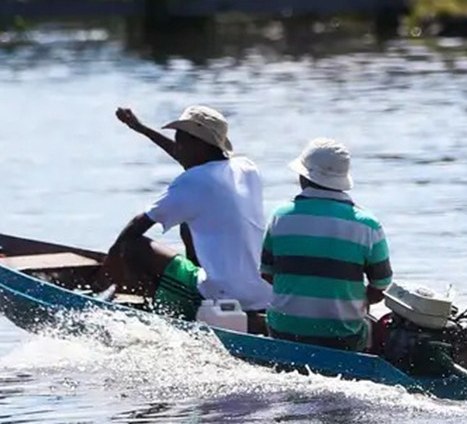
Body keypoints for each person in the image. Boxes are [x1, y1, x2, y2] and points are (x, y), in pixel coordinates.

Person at [103, 105, 274, 332]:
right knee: (188, 219)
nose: (178, 147)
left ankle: (168, 316)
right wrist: (141, 129)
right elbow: (191, 159)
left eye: (181, 140)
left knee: (133, 246)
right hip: (262, 293)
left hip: (223, 293)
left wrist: (109, 267)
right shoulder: (247, 168)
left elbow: (136, 227)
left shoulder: (192, 181)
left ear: (198, 143)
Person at [260, 138, 393, 352]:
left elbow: (267, 274)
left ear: (303, 176)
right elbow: (380, 287)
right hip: (343, 336)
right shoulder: (367, 225)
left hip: (284, 330)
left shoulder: (280, 216)